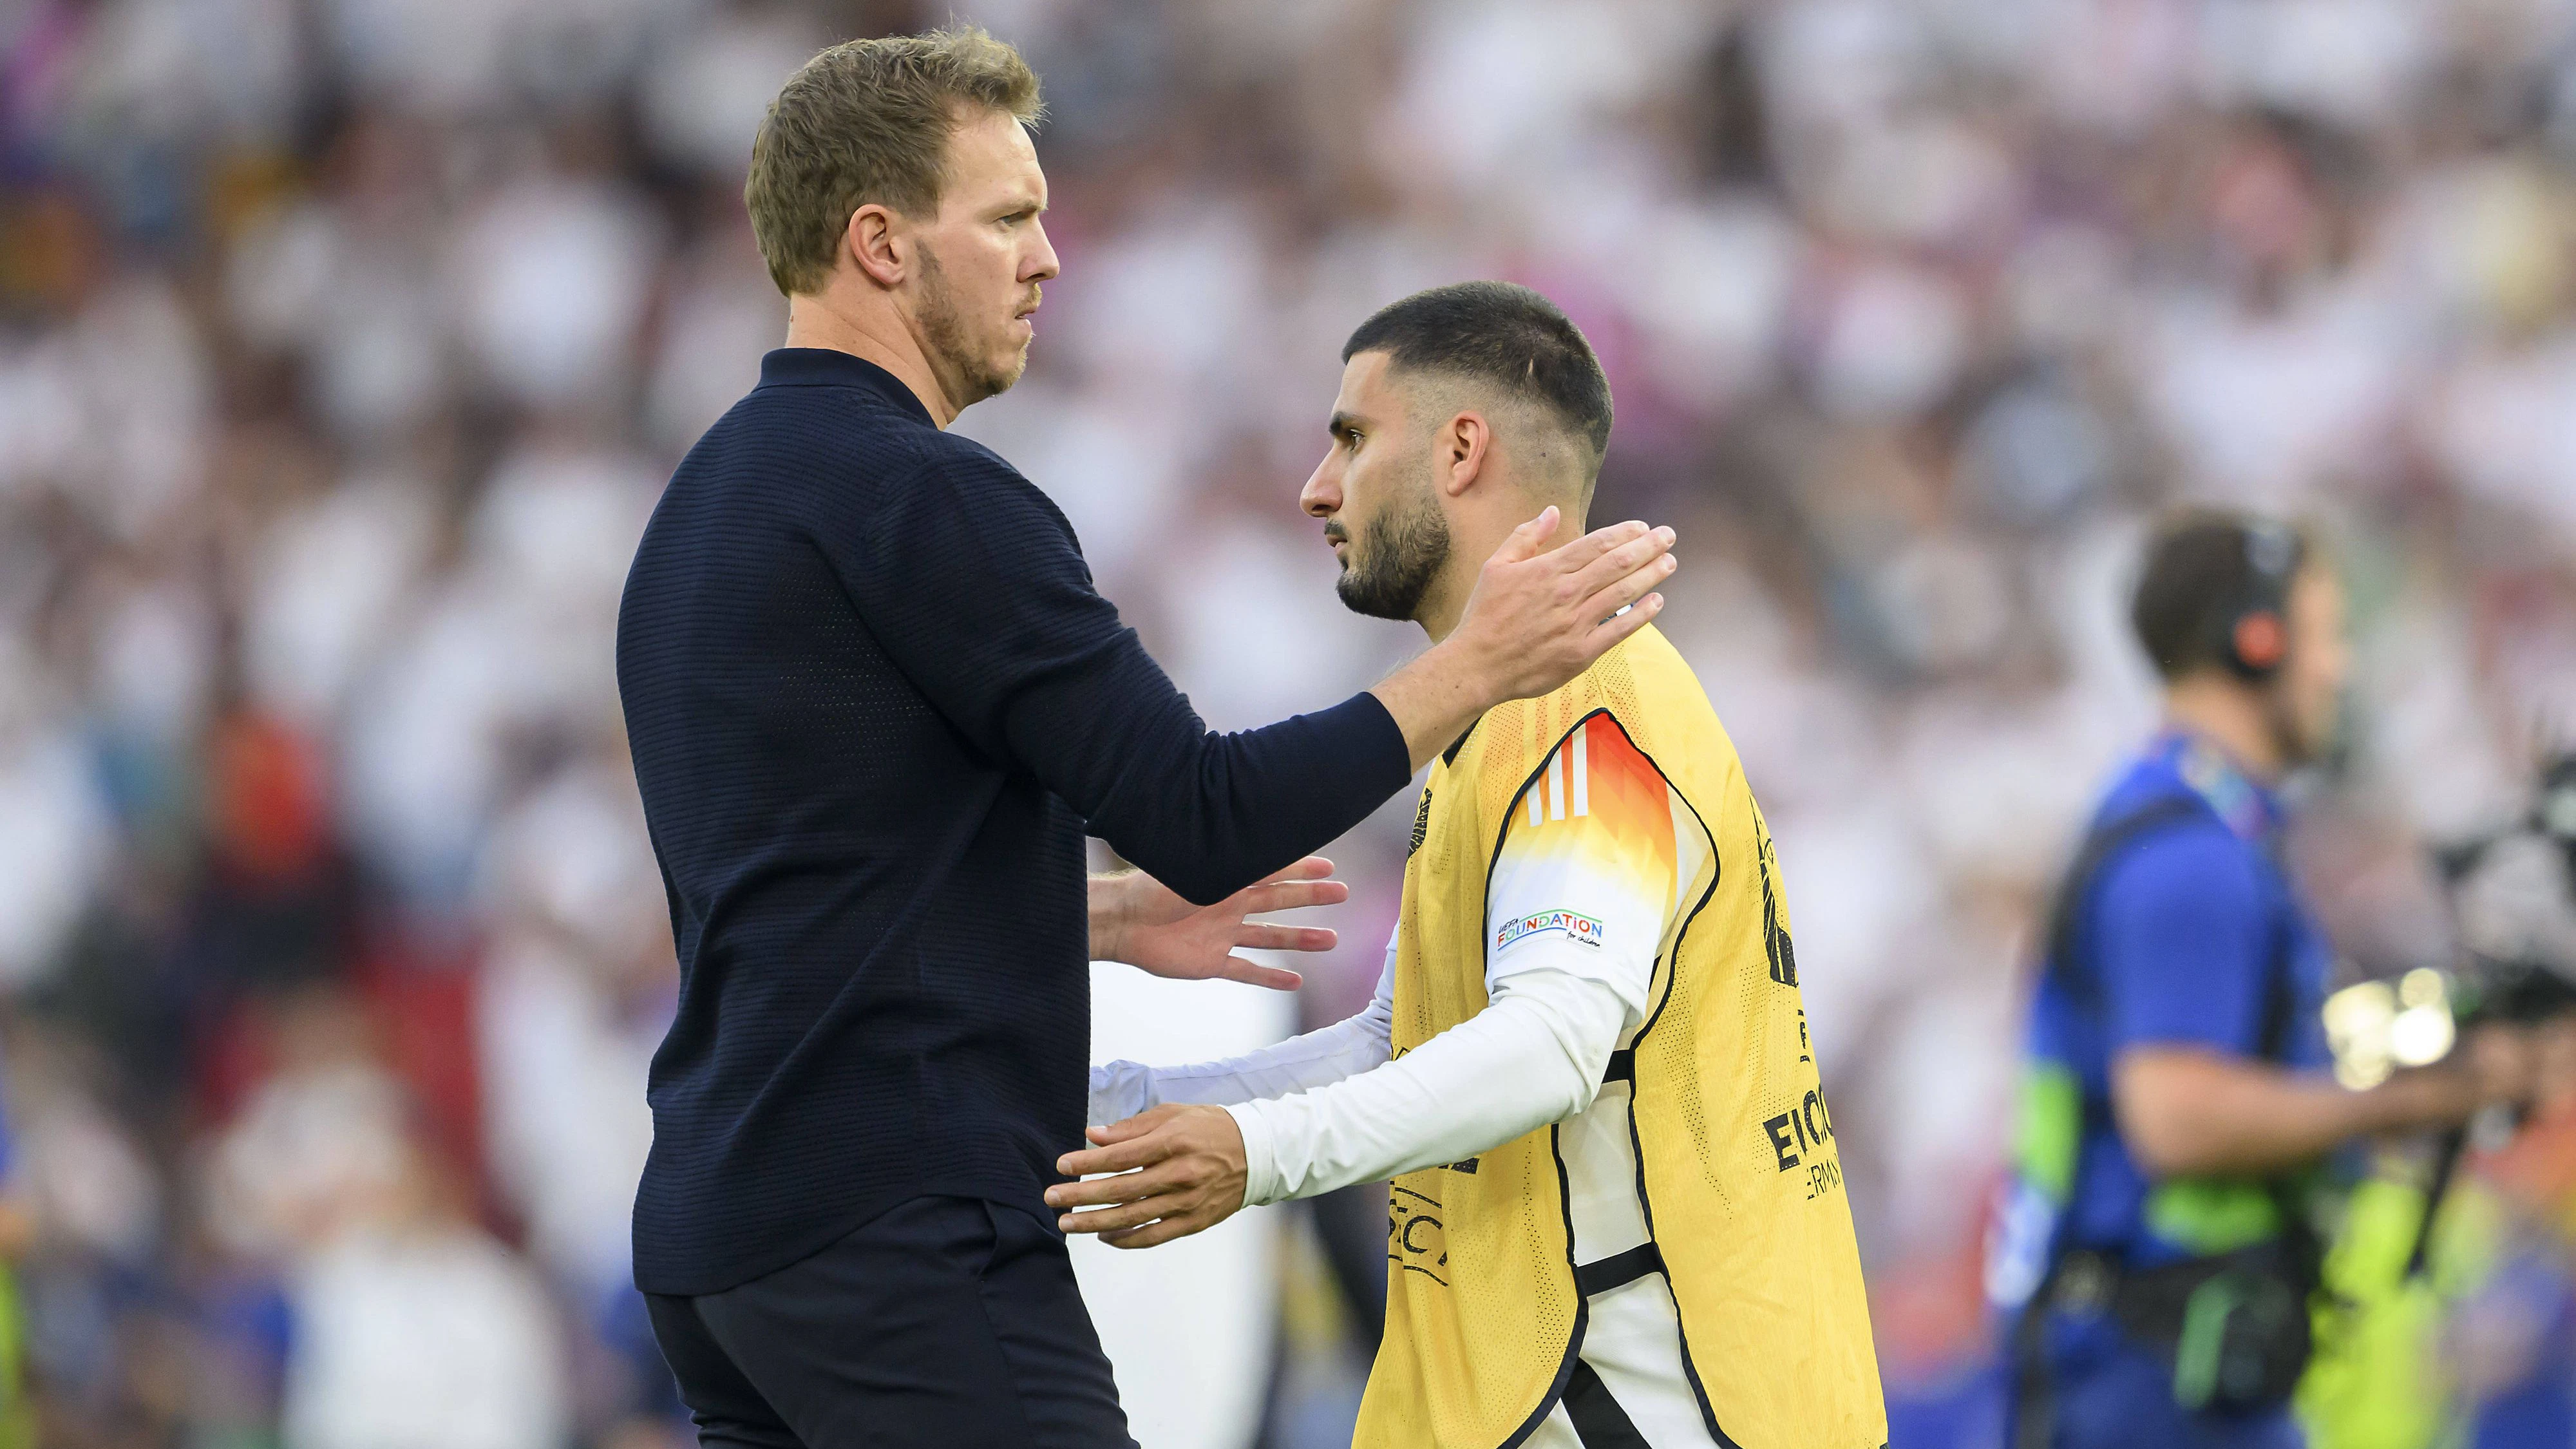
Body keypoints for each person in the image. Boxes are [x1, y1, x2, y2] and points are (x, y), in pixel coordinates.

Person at [612, 29, 1680, 1449]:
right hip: (901, 1230)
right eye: (1004, 219)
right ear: (877, 243)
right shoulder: (926, 499)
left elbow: (800, 884)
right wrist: (1472, 668)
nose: (1047, 257)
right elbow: (1201, 808)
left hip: (724, 1241)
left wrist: (1088, 912)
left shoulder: (699, 510)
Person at [1051, 281, 1888, 1448]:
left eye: (1350, 435)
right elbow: (1411, 1041)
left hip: (1638, 1401)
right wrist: (1112, 1112)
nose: (1316, 486)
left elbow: (1549, 1044)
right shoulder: (1497, 715)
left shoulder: (1588, 704)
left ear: (1460, 449)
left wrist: (1258, 1156)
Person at [1986, 511, 2530, 1449]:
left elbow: (2261, 1047)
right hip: (2154, 1377)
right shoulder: (2190, 858)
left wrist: (2442, 1043)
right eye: (2328, 633)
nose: (2340, 669)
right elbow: (2180, 1115)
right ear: (2255, 639)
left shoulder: (2191, 821)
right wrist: (2424, 1097)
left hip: (2165, 1357)